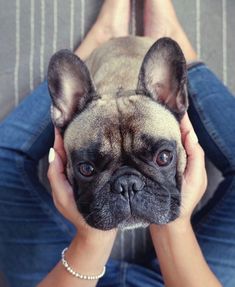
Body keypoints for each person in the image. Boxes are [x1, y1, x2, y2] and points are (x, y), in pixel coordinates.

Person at [0, 0, 234, 286]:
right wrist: (175, 221)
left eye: (160, 158)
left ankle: (94, 46)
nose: (128, 188)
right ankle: (173, 38)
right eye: (90, 167)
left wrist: (90, 236)